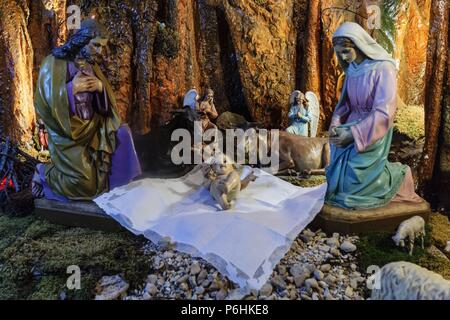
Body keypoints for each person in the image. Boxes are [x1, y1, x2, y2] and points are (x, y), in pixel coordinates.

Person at [33, 19, 141, 201]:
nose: (100, 51)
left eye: (102, 47)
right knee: (85, 184)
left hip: (93, 128)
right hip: (67, 134)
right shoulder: (54, 63)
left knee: (123, 134)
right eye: (96, 45)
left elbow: (107, 109)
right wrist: (70, 89)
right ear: (82, 41)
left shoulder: (92, 66)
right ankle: (44, 173)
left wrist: (100, 89)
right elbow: (45, 103)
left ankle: (117, 188)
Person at [325, 22, 422, 209]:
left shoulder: (384, 67)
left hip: (372, 129)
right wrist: (336, 125)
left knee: (350, 183)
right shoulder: (352, 68)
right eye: (340, 53)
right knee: (337, 178)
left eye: (346, 51)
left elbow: (384, 111)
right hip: (351, 125)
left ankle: (399, 176)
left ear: (358, 44)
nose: (343, 58)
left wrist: (353, 134)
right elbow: (344, 104)